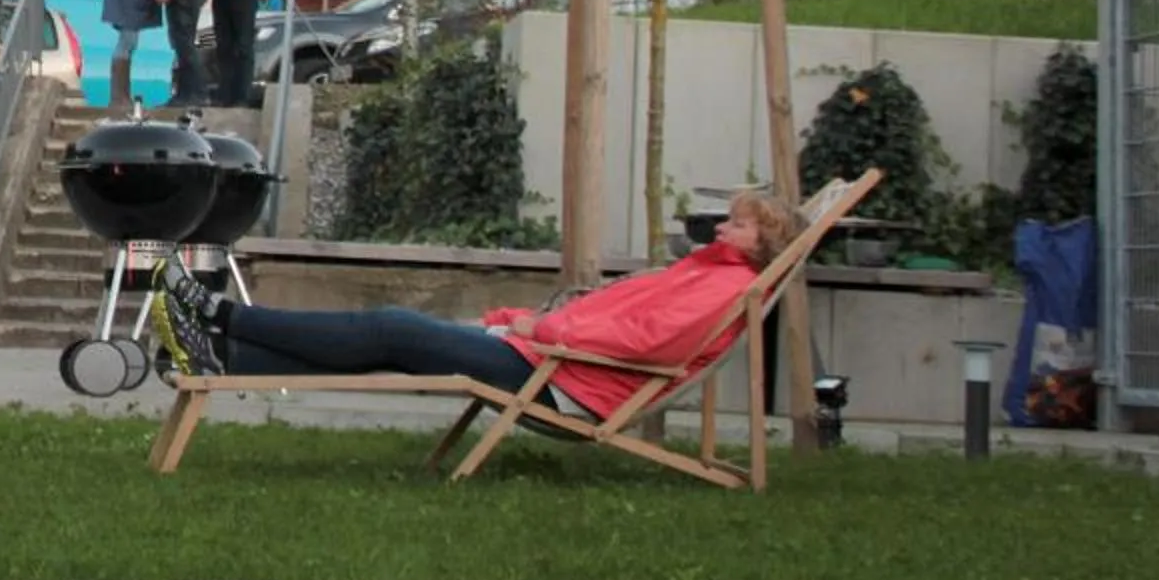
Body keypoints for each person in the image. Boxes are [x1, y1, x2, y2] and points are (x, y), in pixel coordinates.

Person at [154, 189, 805, 419]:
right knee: (392, 342)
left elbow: (650, 344)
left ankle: (224, 318)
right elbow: (615, 318)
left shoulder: (722, 287)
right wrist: (520, 326)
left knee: (392, 330)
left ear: (762, 244)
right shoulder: (703, 270)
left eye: (743, 224)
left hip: (561, 380)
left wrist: (544, 332)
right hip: (545, 357)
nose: (726, 225)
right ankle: (225, 354)